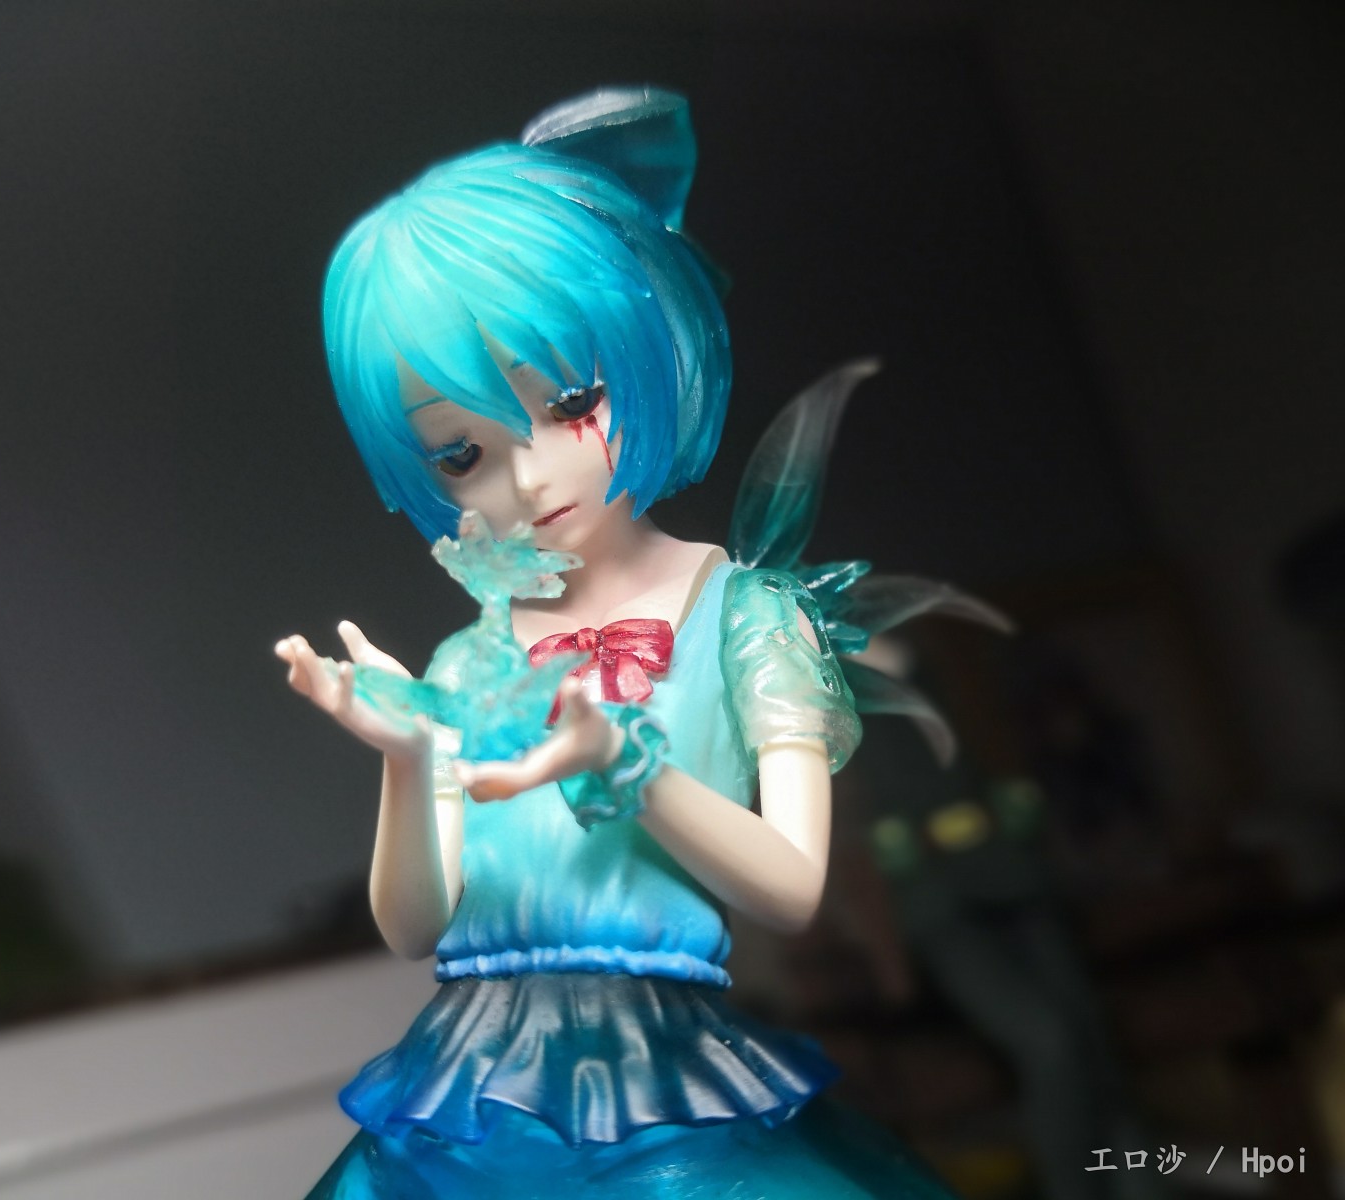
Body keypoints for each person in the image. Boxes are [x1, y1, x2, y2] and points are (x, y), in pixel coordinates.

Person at [275, 86, 954, 1200]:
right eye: (460, 454)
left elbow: (791, 888)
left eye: (570, 401)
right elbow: (413, 928)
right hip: (468, 1090)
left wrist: (625, 763)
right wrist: (408, 754)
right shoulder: (468, 658)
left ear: (644, 354)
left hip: (664, 1075)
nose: (528, 475)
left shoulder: (744, 614)